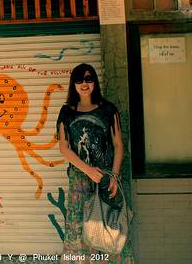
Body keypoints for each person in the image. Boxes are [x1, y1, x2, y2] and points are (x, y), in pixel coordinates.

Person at [56, 63, 134, 263]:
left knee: (110, 224)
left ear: (95, 82)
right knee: (78, 228)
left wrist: (114, 176)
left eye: (89, 79)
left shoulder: (108, 110)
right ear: (73, 84)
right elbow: (64, 148)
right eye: (79, 80)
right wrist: (88, 170)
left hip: (107, 178)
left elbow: (118, 145)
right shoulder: (67, 112)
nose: (84, 84)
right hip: (79, 180)